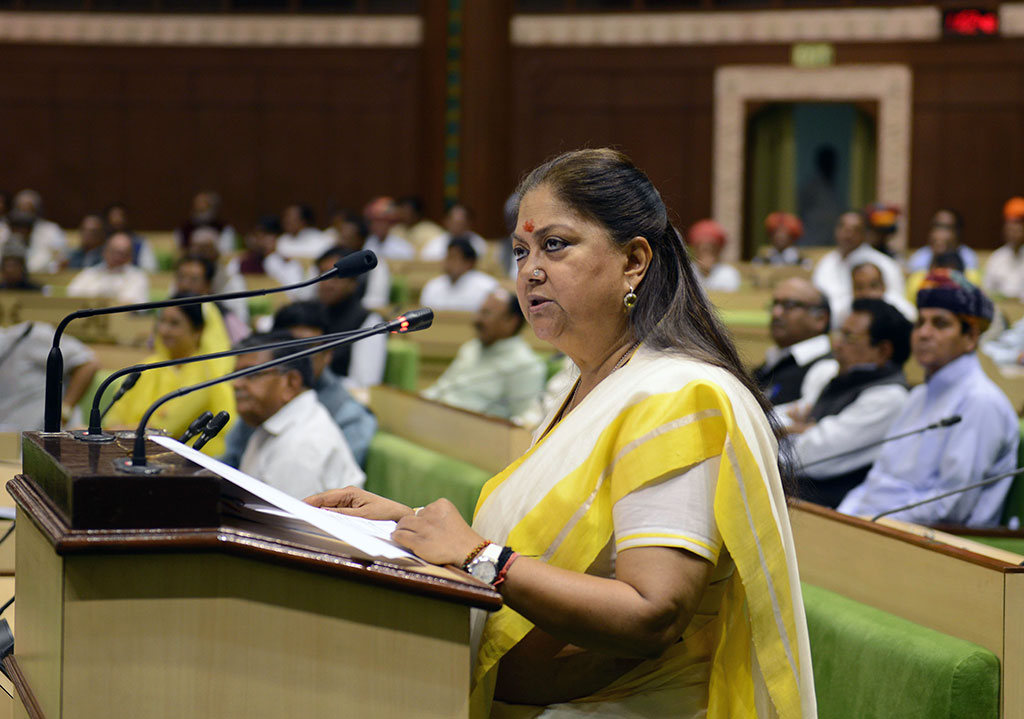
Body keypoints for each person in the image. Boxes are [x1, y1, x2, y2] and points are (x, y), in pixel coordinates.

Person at [306, 149, 816, 718]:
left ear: (634, 261)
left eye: (556, 244)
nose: (530, 271)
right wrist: (412, 527)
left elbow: (653, 612)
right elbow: (554, 560)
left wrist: (478, 556)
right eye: (521, 251)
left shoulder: (678, 395)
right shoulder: (581, 387)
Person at [838, 270, 1018, 527]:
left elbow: (950, 508)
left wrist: (869, 524)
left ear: (970, 338)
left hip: (931, 546)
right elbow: (877, 479)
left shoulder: (980, 402)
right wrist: (843, 517)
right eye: (920, 322)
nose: (923, 333)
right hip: (875, 527)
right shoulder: (918, 395)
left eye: (940, 324)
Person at [220, 301, 378, 469]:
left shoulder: (349, 414)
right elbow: (232, 461)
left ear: (327, 354)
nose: (299, 356)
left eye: (308, 347)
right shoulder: (261, 397)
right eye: (290, 348)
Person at [788, 298, 912, 508]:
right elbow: (784, 414)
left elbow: (807, 456)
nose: (837, 343)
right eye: (839, 333)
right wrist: (795, 428)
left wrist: (788, 430)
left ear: (882, 351)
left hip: (827, 513)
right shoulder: (842, 375)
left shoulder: (889, 397)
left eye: (849, 337)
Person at [233, 332, 365, 499]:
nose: (236, 384)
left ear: (291, 382)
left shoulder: (303, 443)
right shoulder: (276, 423)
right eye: (236, 375)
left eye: (251, 374)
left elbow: (282, 522)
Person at [106, 295, 237, 456]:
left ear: (198, 331)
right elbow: (116, 412)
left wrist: (108, 433)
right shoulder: (149, 366)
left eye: (174, 324)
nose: (164, 330)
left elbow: (164, 429)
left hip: (190, 463)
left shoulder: (206, 374)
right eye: (162, 321)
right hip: (133, 450)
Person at [422, 288, 546, 421]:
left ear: (511, 322)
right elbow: (440, 388)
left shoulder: (526, 366)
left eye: (486, 313)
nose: (477, 319)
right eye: (479, 311)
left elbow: (524, 420)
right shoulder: (470, 348)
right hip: (435, 418)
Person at [753, 277, 838, 414]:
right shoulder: (774, 361)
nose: (776, 313)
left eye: (789, 305)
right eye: (774, 304)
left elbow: (805, 425)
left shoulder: (828, 368)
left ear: (820, 319)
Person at [0, 320, 98, 430]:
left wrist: (65, 411)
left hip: (55, 436)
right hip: (10, 440)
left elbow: (87, 364)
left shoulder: (29, 336)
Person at [811, 211, 904, 324]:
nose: (848, 234)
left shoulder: (884, 264)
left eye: (854, 230)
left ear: (865, 234)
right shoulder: (826, 262)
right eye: (843, 228)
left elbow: (896, 302)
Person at [315, 246, 387, 388]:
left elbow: (365, 385)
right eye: (323, 274)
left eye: (335, 277)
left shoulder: (369, 321)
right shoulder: (309, 314)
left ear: (353, 283)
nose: (326, 284)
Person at [419, 236, 500, 313]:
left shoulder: (487, 287)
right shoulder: (432, 286)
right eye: (448, 257)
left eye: (454, 257)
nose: (448, 262)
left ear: (469, 262)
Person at [67, 231, 150, 304]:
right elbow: (71, 297)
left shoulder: (137, 277)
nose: (117, 257)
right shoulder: (89, 273)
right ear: (105, 251)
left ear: (130, 256)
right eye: (114, 251)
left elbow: (133, 305)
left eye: (123, 253)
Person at [906, 209, 979, 273]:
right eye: (936, 227)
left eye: (946, 228)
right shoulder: (919, 258)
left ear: (957, 232)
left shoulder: (968, 258)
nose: (939, 233)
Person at [11, 189, 67, 273]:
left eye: (30, 210)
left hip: (45, 276)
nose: (26, 215)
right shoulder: (3, 230)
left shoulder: (52, 230)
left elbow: (61, 259)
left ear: (37, 210)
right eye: (22, 210)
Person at [846, 261, 916, 323]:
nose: (866, 293)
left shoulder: (906, 312)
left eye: (873, 286)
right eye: (859, 287)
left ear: (883, 287)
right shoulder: (846, 313)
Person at [982, 197, 1024, 299]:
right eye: (1010, 226)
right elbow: (987, 292)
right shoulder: (997, 258)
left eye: (1019, 225)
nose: (1014, 231)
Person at [685, 219, 741, 292]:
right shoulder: (687, 272)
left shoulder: (729, 274)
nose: (706, 252)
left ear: (719, 250)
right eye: (702, 247)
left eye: (711, 248)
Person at [420, 202, 489, 261]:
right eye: (454, 223)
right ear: (446, 222)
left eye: (460, 223)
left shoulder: (478, 243)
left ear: (469, 224)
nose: (457, 227)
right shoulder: (435, 244)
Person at [364, 196, 416, 260]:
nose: (377, 225)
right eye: (374, 221)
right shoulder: (370, 242)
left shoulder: (402, 247)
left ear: (390, 223)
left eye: (382, 221)